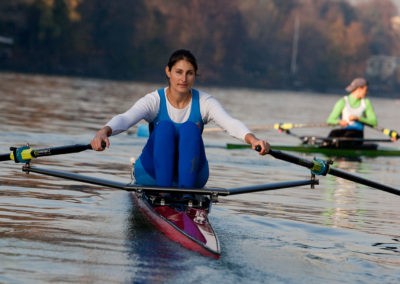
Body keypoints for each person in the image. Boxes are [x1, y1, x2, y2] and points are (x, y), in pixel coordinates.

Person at [91, 49, 270, 188]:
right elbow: (125, 118)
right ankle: (164, 192)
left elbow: (230, 123)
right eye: (178, 72)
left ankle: (185, 195)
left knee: (189, 129)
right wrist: (102, 132)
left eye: (189, 73)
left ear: (195, 74)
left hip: (192, 176)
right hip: (152, 174)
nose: (183, 79)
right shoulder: (154, 100)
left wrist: (253, 139)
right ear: (168, 72)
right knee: (165, 128)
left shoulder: (205, 102)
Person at [326, 77, 377, 147]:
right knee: (333, 133)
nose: (367, 92)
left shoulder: (366, 103)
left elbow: (374, 122)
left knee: (348, 136)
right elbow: (330, 120)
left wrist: (358, 118)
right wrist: (339, 122)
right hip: (344, 132)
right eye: (366, 90)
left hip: (357, 134)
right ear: (359, 88)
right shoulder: (342, 101)